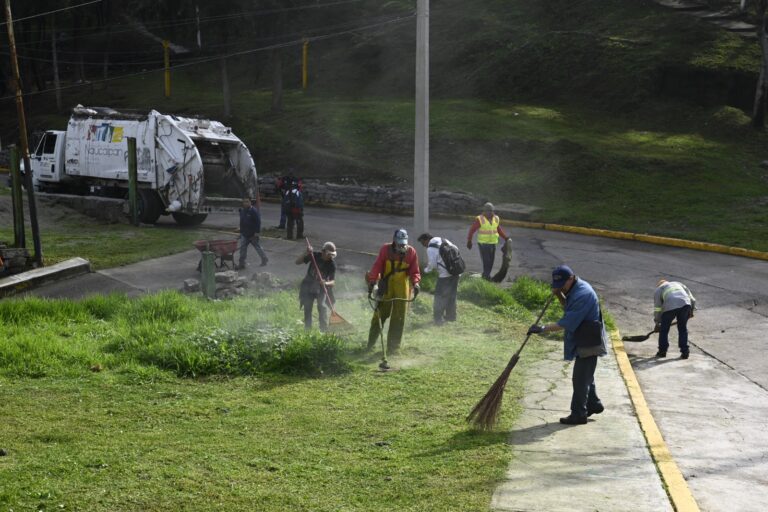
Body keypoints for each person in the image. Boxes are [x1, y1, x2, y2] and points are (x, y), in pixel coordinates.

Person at [527, 265, 607, 425]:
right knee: (585, 376)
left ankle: (578, 414)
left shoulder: (583, 294)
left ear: (571, 278)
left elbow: (567, 321)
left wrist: (542, 329)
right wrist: (559, 295)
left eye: (562, 284)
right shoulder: (574, 289)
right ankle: (594, 404)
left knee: (579, 379)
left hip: (589, 341)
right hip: (583, 337)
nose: (560, 287)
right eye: (557, 285)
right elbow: (568, 308)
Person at [366, 228, 421, 353]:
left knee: (399, 317)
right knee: (379, 315)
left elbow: (415, 271)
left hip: (402, 287)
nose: (402, 244)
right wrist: (373, 280)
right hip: (386, 286)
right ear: (394, 240)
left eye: (404, 241)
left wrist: (416, 283)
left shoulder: (411, 252)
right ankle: (371, 344)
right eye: (399, 241)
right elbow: (377, 265)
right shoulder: (385, 249)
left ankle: (393, 348)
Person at [417, 232, 462, 325]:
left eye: (423, 243)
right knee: (452, 296)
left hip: (444, 276)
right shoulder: (444, 240)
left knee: (439, 297)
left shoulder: (430, 248)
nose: (424, 246)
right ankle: (451, 317)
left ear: (426, 240)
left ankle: (438, 319)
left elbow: (432, 265)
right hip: (456, 273)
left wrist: (425, 271)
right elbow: (457, 249)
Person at [296, 241, 337, 331]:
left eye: (332, 255)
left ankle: (323, 330)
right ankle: (308, 330)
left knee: (322, 307)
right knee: (307, 307)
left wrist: (326, 283)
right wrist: (306, 252)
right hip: (308, 285)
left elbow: (333, 282)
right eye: (329, 254)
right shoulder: (314, 256)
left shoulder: (332, 264)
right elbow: (297, 262)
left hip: (321, 289)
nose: (331, 257)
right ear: (323, 251)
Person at [466, 202, 510, 280]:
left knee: (491, 262)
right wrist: (469, 241)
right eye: (488, 211)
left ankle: (486, 275)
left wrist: (505, 237)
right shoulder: (480, 219)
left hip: (493, 243)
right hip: (483, 244)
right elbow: (472, 230)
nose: (490, 212)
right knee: (486, 261)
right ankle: (486, 277)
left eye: (491, 211)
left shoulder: (496, 218)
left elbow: (498, 229)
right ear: (484, 211)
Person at [654, 279, 696, 359]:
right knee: (682, 328)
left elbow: (658, 309)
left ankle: (662, 351)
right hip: (685, 305)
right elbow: (693, 299)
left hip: (670, 306)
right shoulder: (679, 283)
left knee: (664, 329)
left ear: (659, 285)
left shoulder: (659, 290)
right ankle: (685, 352)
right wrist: (691, 311)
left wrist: (658, 323)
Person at [238, 197, 268, 269]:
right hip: (245, 234)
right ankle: (242, 263)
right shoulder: (242, 211)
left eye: (247, 202)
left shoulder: (254, 211)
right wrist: (241, 232)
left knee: (257, 247)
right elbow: (241, 222)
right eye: (244, 202)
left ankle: (264, 259)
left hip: (253, 234)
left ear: (250, 202)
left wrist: (256, 234)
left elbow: (258, 223)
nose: (245, 203)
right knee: (242, 249)